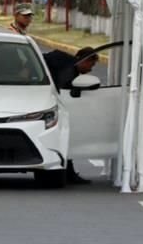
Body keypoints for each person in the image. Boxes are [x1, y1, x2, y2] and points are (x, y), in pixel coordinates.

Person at [43, 47, 100, 184]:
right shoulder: (69, 70)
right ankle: (67, 174)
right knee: (65, 140)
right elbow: (65, 89)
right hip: (55, 107)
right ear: (84, 60)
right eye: (91, 65)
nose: (90, 69)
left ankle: (68, 173)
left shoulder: (67, 64)